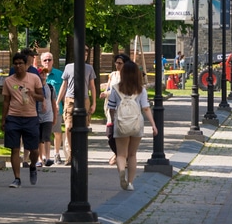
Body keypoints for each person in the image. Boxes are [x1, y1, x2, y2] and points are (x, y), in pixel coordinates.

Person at [106, 60, 158, 191]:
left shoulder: (115, 89)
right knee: (133, 154)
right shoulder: (141, 90)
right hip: (136, 124)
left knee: (121, 155)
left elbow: (111, 108)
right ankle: (130, 183)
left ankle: (122, 172)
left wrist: (113, 121)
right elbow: (146, 108)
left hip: (121, 124)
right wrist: (153, 125)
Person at [2, 50, 43, 187]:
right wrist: (4, 119)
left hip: (30, 117)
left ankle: (32, 166)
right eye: (16, 64)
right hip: (13, 117)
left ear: (26, 65)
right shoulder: (9, 81)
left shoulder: (34, 78)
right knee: (14, 148)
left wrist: (32, 94)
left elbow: (42, 97)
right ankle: (17, 178)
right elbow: (6, 101)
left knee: (34, 149)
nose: (18, 66)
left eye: (21, 63)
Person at [57, 47, 97, 166]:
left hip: (84, 99)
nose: (84, 55)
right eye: (82, 53)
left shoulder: (89, 68)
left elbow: (92, 86)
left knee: (83, 128)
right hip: (70, 99)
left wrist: (94, 102)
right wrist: (57, 101)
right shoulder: (68, 67)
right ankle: (71, 154)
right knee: (69, 127)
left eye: (85, 54)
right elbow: (64, 85)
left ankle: (81, 153)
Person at [39, 52, 65, 164]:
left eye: (49, 60)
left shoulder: (60, 74)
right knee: (44, 134)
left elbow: (64, 92)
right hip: (41, 110)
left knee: (57, 132)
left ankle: (57, 154)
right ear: (41, 62)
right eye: (45, 60)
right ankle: (44, 156)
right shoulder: (38, 74)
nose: (47, 62)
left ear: (53, 61)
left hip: (56, 108)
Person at [102, 53, 127, 163]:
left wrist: (110, 93)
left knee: (118, 134)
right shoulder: (112, 75)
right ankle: (119, 155)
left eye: (120, 63)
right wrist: (105, 93)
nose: (117, 65)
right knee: (110, 134)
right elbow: (108, 88)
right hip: (110, 108)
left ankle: (122, 157)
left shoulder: (127, 77)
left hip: (122, 109)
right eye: (116, 62)